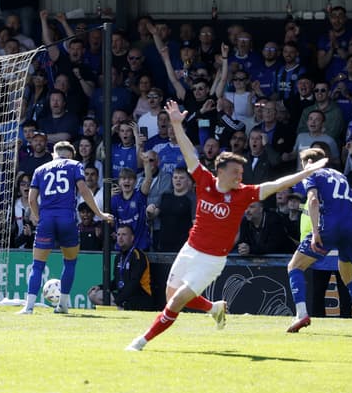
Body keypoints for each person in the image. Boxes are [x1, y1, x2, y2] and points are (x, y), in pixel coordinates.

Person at [125, 100, 328, 351]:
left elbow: (277, 185)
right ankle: (215, 307)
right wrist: (177, 123)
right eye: (235, 172)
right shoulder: (205, 181)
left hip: (211, 260)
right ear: (221, 171)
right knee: (171, 297)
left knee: (175, 302)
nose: (240, 177)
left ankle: (141, 342)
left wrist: (305, 173)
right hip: (190, 250)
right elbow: (188, 150)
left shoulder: (244, 193)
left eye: (241, 173)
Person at [285, 148, 352, 334]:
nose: (303, 169)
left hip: (329, 226)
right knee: (349, 277)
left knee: (294, 267)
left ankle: (301, 314)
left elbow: (312, 201)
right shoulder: (341, 177)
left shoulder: (312, 173)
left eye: (303, 165)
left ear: (310, 162)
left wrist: (316, 232)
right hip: (350, 228)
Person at [18, 141, 114, 315]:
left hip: (46, 219)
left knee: (38, 265)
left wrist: (40, 218)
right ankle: (62, 305)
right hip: (67, 219)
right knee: (69, 262)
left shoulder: (41, 169)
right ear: (71, 155)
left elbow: (32, 199)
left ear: (54, 154)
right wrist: (99, 214)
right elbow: (84, 190)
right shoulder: (75, 165)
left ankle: (29, 307)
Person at [87, 224, 153, 311]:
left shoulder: (138, 256)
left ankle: (120, 308)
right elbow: (116, 282)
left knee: (107, 301)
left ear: (132, 238)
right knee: (93, 294)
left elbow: (134, 283)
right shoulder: (119, 257)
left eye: (124, 235)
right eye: (118, 235)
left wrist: (118, 300)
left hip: (139, 297)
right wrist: (100, 287)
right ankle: (119, 308)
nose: (120, 238)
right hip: (123, 296)